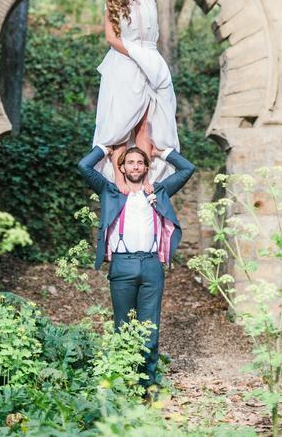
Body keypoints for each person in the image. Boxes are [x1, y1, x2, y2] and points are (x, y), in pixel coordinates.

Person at [78, 142, 195, 391]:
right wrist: (104, 149)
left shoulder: (160, 190)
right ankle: (124, 382)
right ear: (122, 167)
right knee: (123, 327)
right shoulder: (110, 190)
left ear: (146, 167)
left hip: (152, 265)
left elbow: (187, 169)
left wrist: (159, 152)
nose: (135, 166)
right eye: (130, 162)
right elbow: (84, 166)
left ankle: (147, 386)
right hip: (122, 265)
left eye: (140, 162)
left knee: (149, 328)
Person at [93, 0, 202, 193]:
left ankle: (143, 180)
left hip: (152, 66)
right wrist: (135, 54)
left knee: (146, 124)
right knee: (122, 124)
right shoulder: (113, 6)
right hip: (125, 65)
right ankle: (120, 182)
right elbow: (111, 38)